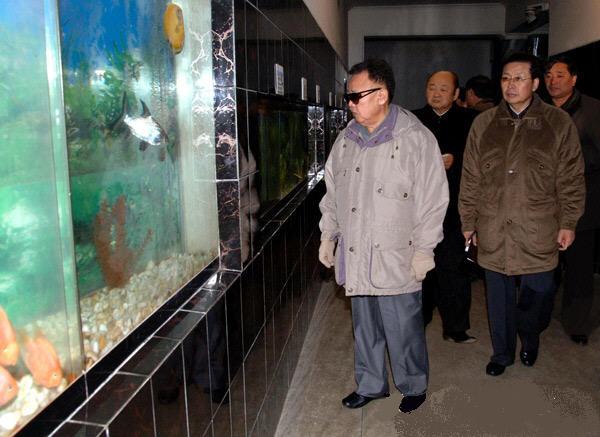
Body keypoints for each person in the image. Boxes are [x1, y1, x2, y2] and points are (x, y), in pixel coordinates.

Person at [318, 59, 448, 413]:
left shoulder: (416, 139)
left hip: (397, 254)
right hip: (358, 252)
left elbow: (434, 200)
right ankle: (371, 384)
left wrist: (425, 250)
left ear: (382, 95)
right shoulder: (347, 139)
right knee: (365, 327)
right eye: (348, 96)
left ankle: (413, 384)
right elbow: (333, 192)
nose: (350, 103)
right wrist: (328, 235)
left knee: (403, 328)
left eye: (356, 95)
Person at [459, 52, 585, 377]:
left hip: (539, 227)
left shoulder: (557, 123)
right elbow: (471, 177)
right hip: (494, 225)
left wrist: (569, 221)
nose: (510, 85)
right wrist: (468, 222)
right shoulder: (484, 124)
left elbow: (571, 178)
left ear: (535, 83)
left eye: (518, 78)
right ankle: (502, 353)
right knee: (498, 298)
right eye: (505, 78)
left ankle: (530, 335)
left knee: (540, 293)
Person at [413, 70, 477, 344]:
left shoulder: (471, 120)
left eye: (443, 88)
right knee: (420, 268)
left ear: (455, 94)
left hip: (455, 207)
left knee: (454, 268)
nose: (436, 93)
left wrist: (457, 159)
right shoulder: (413, 120)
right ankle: (418, 318)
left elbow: (481, 160)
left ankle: (456, 327)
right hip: (419, 208)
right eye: (431, 87)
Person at [545, 56, 600, 346]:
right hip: (543, 203)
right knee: (544, 263)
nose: (554, 81)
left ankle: (576, 322)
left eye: (560, 75)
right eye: (550, 76)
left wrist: (573, 163)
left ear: (574, 78)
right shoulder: (539, 110)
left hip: (583, 202)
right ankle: (540, 313)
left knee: (579, 267)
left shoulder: (591, 109)